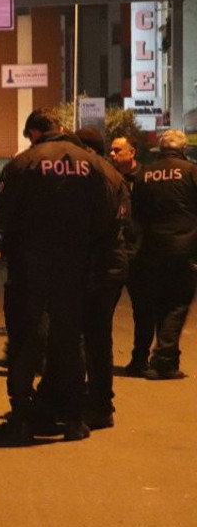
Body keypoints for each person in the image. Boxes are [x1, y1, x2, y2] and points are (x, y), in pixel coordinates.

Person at [0, 108, 116, 443]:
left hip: (30, 265)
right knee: (69, 339)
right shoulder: (89, 163)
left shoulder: (24, 162)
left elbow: (4, 210)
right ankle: (74, 419)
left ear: (35, 132)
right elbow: (105, 212)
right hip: (73, 264)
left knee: (26, 338)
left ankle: (21, 416)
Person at [130, 128, 197, 380]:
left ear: (161, 148)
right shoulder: (191, 172)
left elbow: (136, 212)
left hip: (150, 249)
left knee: (158, 302)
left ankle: (158, 357)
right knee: (177, 303)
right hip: (183, 248)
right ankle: (165, 361)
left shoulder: (146, 174)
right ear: (183, 149)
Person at [75, 128, 130, 429]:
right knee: (97, 336)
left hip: (97, 266)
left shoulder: (94, 175)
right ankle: (97, 401)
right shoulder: (114, 176)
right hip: (111, 264)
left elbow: (92, 224)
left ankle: (98, 404)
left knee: (92, 338)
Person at [110, 136, 151, 376]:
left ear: (132, 152)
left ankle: (140, 358)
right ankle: (99, 359)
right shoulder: (109, 178)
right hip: (115, 251)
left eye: (118, 150)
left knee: (143, 310)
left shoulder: (145, 178)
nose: (113, 154)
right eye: (111, 150)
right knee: (103, 308)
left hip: (140, 253)